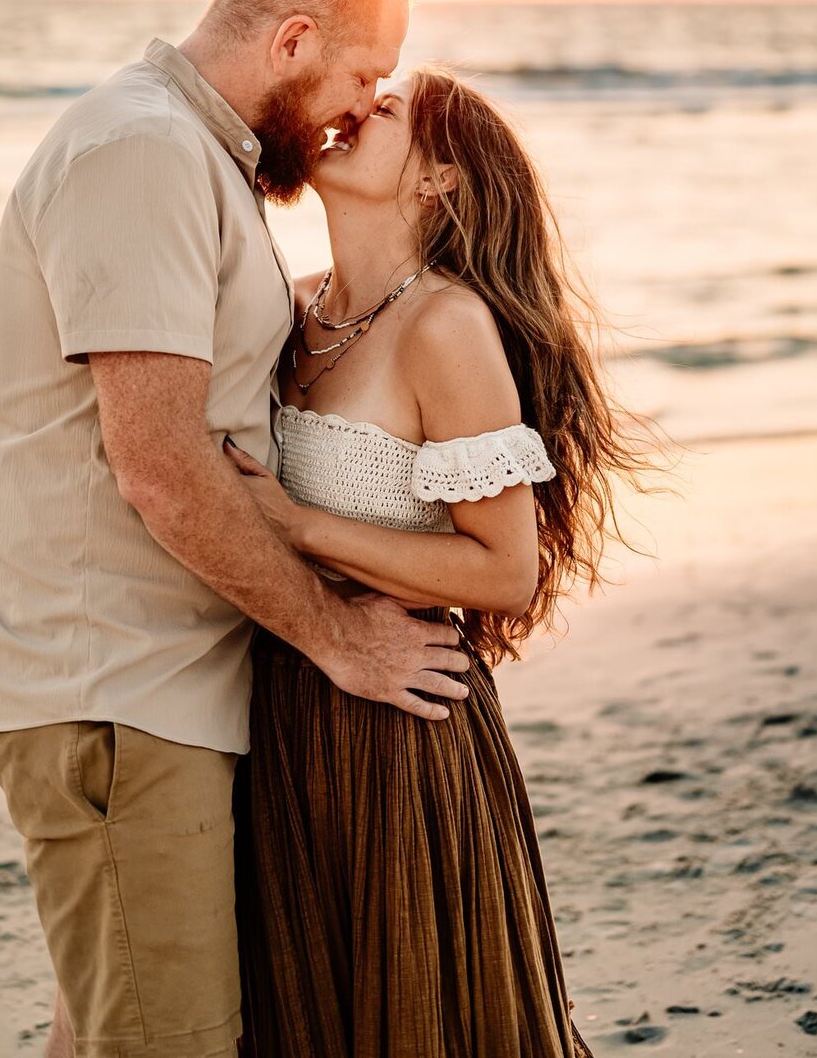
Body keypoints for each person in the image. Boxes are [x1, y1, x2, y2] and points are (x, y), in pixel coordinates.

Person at [0, 0, 473, 1058]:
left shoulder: (200, 157)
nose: (360, 109)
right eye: (360, 73)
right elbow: (161, 466)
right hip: (113, 689)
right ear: (291, 40)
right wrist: (338, 637)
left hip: (154, 686)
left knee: (113, 1027)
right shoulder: (142, 151)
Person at [227, 65, 659, 1058]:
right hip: (282, 709)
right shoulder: (290, 310)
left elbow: (505, 571)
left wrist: (300, 526)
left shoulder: (446, 327)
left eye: (384, 113)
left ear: (441, 181)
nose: (350, 114)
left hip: (404, 725)